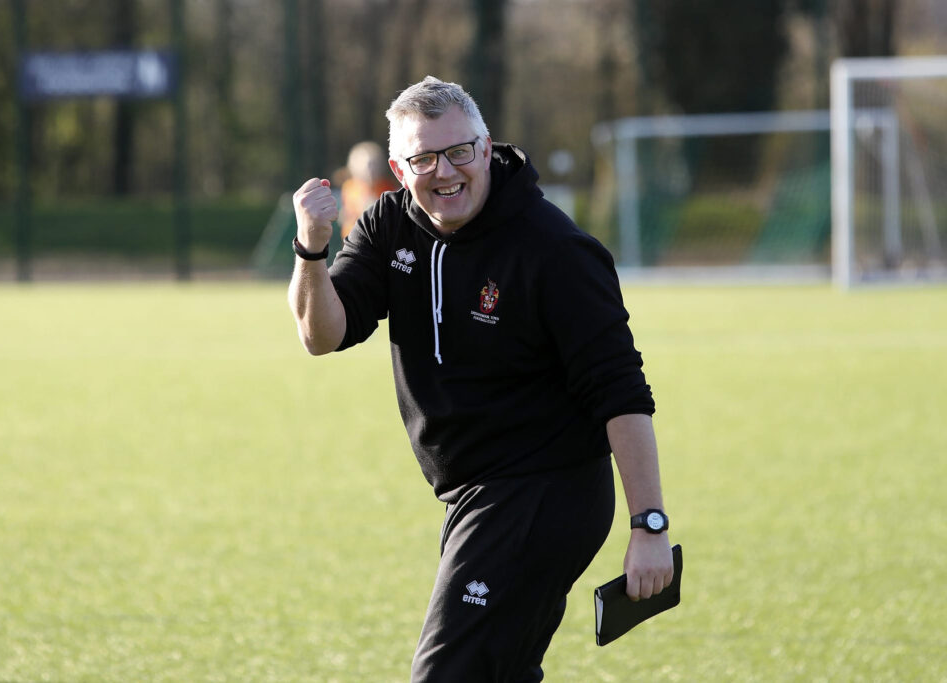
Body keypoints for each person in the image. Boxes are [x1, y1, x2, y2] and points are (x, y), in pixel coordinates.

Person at [288, 76, 673, 682]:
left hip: (545, 490)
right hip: (472, 498)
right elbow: (323, 333)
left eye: (458, 152)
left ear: (487, 148)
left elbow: (621, 390)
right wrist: (311, 249)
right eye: (423, 158)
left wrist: (649, 525)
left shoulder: (555, 250)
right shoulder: (391, 225)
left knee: (448, 675)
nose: (444, 172)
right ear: (399, 166)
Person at [337, 140, 398, 240]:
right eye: (366, 165)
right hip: (355, 240)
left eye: (374, 164)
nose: (370, 170)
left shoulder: (388, 188)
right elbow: (346, 216)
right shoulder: (349, 188)